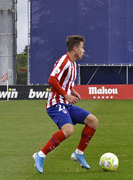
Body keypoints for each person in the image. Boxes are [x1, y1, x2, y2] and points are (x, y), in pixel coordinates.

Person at [32, 35, 99, 174]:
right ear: (75, 48)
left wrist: (72, 91)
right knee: (68, 130)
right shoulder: (64, 61)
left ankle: (78, 153)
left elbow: (65, 82)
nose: (84, 51)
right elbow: (52, 79)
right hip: (56, 104)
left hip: (65, 104)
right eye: (82, 48)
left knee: (93, 121)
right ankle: (40, 155)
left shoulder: (73, 64)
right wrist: (66, 95)